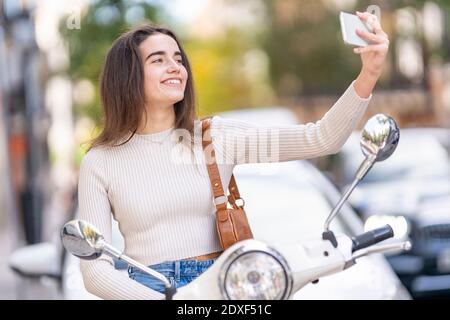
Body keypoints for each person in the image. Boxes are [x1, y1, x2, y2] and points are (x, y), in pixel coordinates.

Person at [79, 11, 389, 300]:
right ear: (127, 76)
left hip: (224, 285)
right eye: (158, 60)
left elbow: (322, 138)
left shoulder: (215, 138)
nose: (176, 67)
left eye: (178, 58)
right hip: (146, 289)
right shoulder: (100, 161)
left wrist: (370, 73)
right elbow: (94, 271)